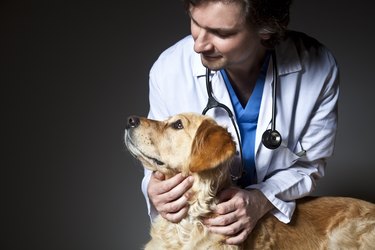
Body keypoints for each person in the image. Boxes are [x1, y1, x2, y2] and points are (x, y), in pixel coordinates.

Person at [141, 0, 339, 245]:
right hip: (200, 230)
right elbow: (159, 153)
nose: (199, 44)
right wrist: (154, 187)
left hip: (274, 229)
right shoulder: (169, 69)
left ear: (265, 31)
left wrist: (260, 199)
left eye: (221, 33)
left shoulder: (317, 69)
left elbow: (309, 165)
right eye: (195, 22)